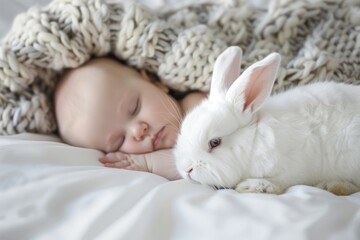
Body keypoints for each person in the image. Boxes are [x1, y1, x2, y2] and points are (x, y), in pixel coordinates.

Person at [54, 57, 207, 180]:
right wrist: (147, 163)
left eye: (134, 108)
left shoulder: (198, 105)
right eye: (119, 140)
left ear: (154, 82)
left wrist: (149, 162)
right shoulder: (163, 159)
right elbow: (187, 166)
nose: (138, 131)